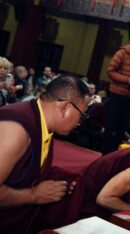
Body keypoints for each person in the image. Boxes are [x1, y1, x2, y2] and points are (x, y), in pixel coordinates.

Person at [0, 76, 90, 233]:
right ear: (65, 107)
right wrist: (34, 195)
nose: (79, 123)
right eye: (82, 115)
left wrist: (58, 185)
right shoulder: (17, 129)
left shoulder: (43, 124)